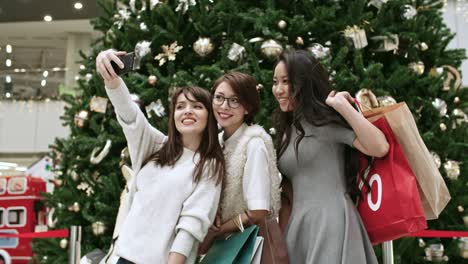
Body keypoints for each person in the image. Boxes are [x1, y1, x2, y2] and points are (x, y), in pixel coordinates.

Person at [96, 49, 225, 264]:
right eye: (180, 106)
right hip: (122, 258)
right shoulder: (155, 145)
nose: (187, 111)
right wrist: (111, 79)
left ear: (209, 116)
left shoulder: (208, 165)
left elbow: (192, 223)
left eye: (197, 106)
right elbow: (129, 115)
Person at [272, 50, 389, 264]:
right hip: (299, 226)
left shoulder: (325, 123)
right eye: (275, 82)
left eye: (286, 82)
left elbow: (379, 147)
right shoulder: (289, 129)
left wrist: (343, 107)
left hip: (331, 222)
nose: (278, 90)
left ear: (304, 83)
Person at [199, 72, 281, 256]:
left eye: (234, 100)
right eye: (219, 98)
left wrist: (217, 231)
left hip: (248, 244)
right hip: (222, 245)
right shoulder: (218, 141)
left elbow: (258, 211)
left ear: (248, 107)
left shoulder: (254, 143)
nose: (224, 106)